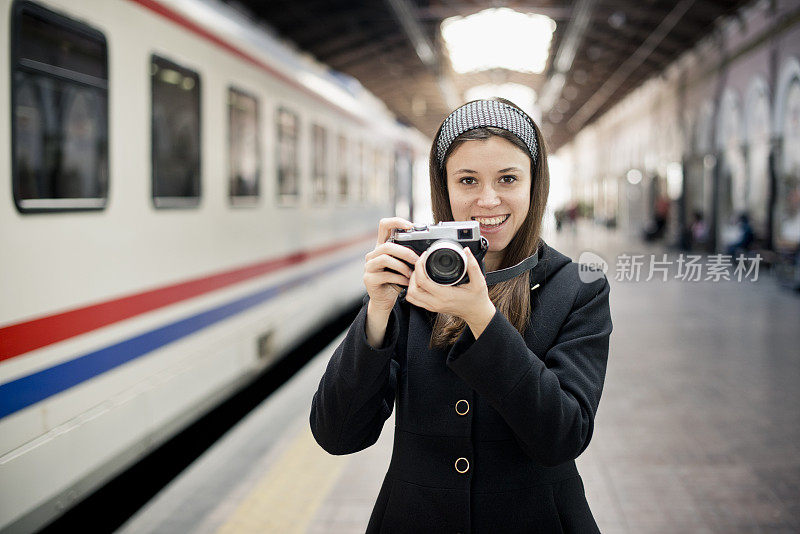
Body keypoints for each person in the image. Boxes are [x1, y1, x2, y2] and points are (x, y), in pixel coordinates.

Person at [310, 98, 613, 533]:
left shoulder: (577, 287)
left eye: (508, 178)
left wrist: (482, 319)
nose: (487, 201)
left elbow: (563, 436)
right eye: (467, 180)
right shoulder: (413, 281)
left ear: (534, 184)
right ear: (444, 187)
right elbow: (337, 435)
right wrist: (377, 314)